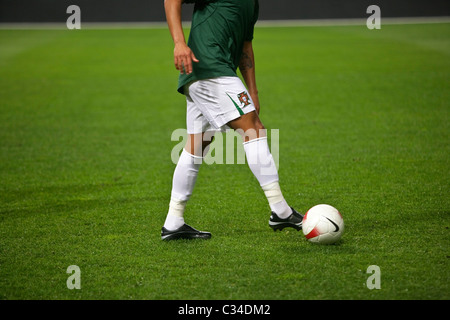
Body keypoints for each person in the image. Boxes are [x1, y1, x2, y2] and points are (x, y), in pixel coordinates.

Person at [162, 0, 303, 240]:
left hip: (209, 72)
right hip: (209, 67)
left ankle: (174, 222)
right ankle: (280, 210)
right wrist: (179, 43)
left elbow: (245, 47)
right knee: (254, 130)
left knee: (197, 145)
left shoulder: (252, 3)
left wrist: (253, 90)